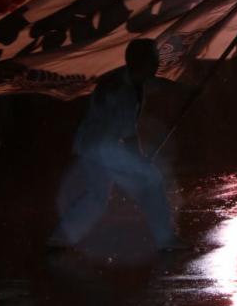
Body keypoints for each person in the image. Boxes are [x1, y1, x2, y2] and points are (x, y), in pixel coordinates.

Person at [48, 38, 186, 252]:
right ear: (143, 62)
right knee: (153, 179)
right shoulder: (122, 90)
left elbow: (156, 89)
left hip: (89, 145)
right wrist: (137, 158)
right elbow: (127, 133)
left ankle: (60, 239)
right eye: (154, 60)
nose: (158, 64)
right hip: (104, 147)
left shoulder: (126, 80)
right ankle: (165, 239)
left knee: (97, 196)